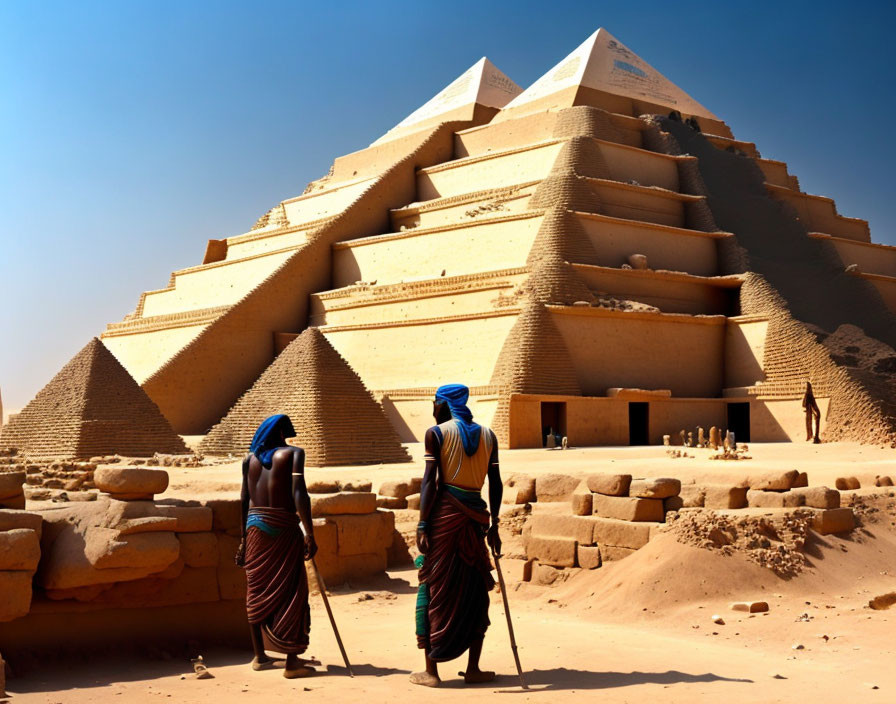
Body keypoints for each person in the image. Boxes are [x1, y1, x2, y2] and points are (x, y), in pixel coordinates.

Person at [411, 384, 502, 688]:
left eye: (435, 402)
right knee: (475, 590)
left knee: (435, 588)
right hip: (477, 519)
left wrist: (423, 524)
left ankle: (431, 672)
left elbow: (430, 482)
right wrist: (496, 525)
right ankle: (473, 668)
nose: (433, 409)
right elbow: (496, 483)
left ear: (445, 404)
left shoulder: (436, 434)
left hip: (445, 519)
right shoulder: (490, 436)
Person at [235, 414, 318, 679]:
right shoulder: (294, 454)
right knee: (293, 589)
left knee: (256, 590)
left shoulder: (249, 460)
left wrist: (243, 540)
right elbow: (298, 493)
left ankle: (259, 656)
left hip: (255, 527)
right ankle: (292, 662)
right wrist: (310, 532)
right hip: (282, 526)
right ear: (282, 432)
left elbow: (244, 499)